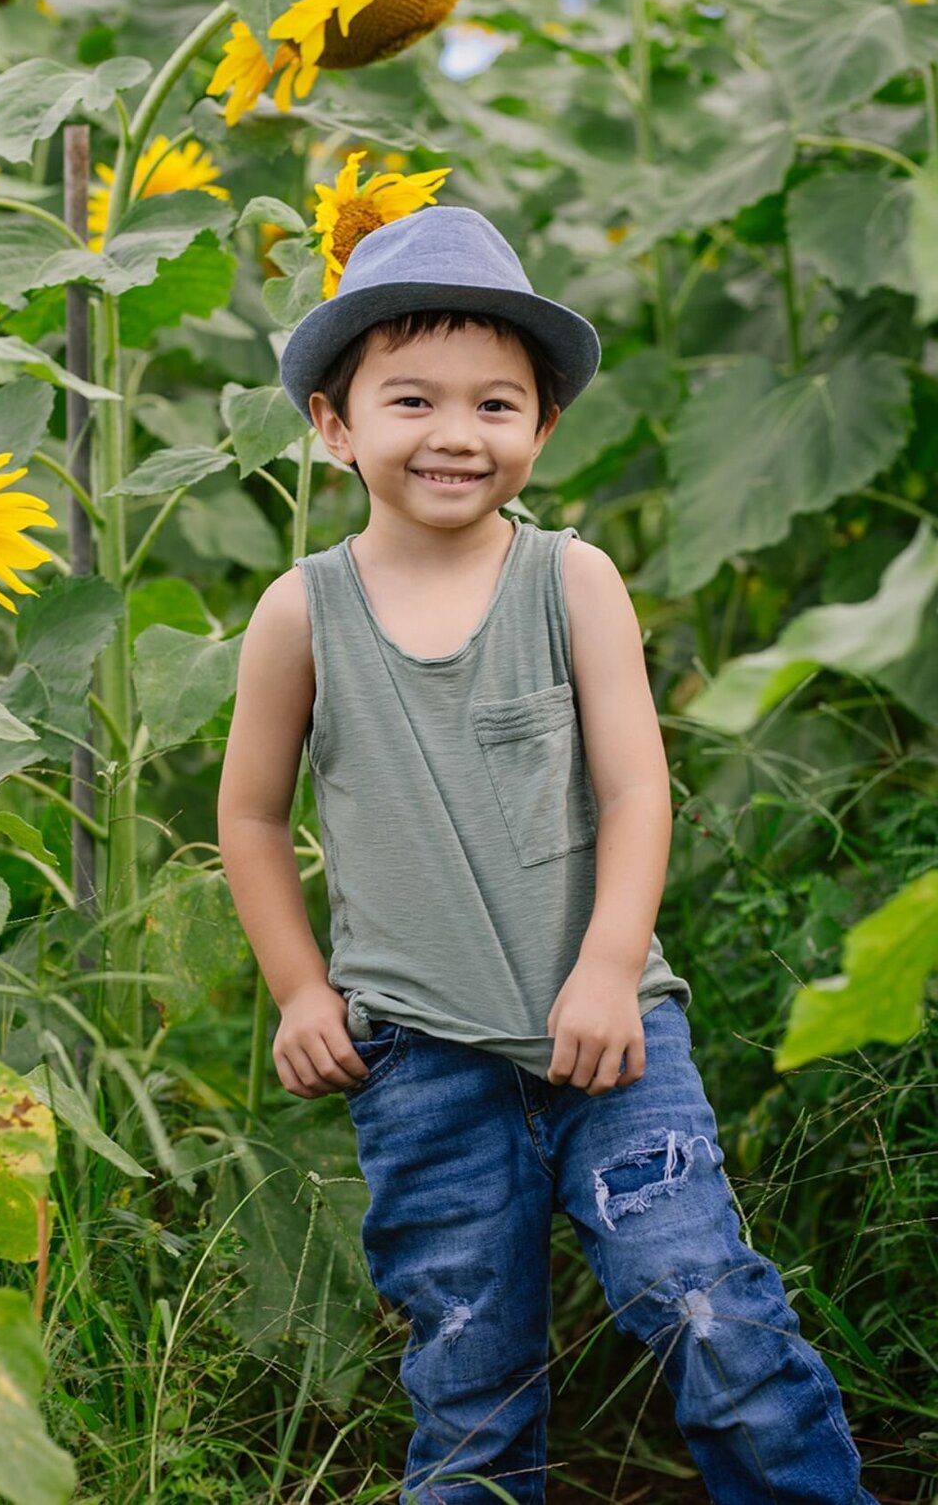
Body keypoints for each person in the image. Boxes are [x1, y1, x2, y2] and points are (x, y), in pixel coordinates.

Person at [217, 205, 878, 1505]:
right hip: (417, 1055)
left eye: (497, 405)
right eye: (412, 400)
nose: (457, 434)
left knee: (701, 1302)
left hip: (610, 1034)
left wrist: (610, 967)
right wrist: (301, 988)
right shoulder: (302, 613)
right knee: (468, 1363)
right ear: (335, 427)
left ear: (542, 427)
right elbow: (247, 817)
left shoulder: (571, 581)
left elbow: (638, 787)